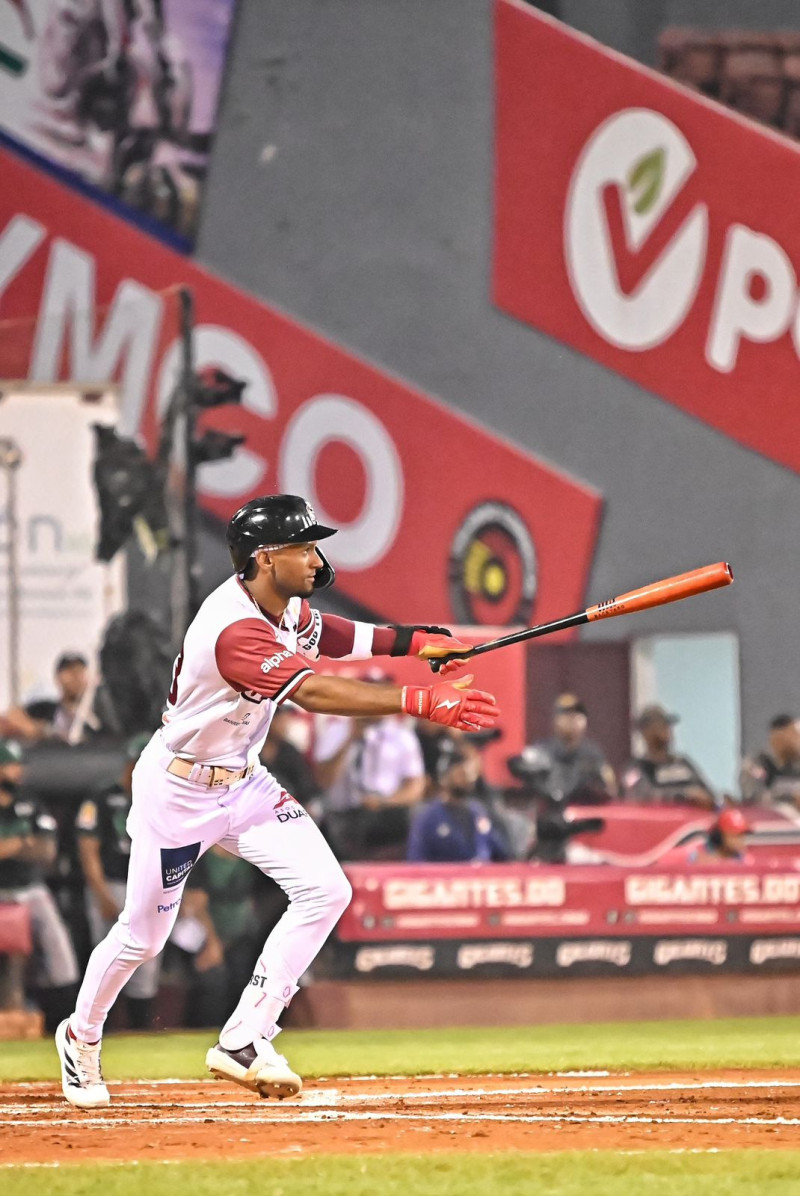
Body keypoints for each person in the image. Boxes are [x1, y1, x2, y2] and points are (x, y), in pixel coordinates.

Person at [55, 493, 498, 1108]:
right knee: (144, 937)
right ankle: (80, 1035)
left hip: (242, 780)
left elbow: (336, 636)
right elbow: (313, 690)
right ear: (265, 559)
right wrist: (417, 701)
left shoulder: (284, 606)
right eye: (304, 547)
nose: (316, 559)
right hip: (178, 791)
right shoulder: (233, 628)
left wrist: (418, 642)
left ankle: (245, 1038)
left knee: (327, 889)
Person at [75, 734, 160, 1029]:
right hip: (111, 882)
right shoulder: (102, 797)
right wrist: (100, 894)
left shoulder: (161, 798)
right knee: (107, 956)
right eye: (134, 763)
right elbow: (88, 849)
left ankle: (141, 1032)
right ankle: (94, 1030)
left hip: (148, 885)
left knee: (146, 961)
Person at [0, 739, 80, 1029]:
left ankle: (65, 1026)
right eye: (10, 765)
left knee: (62, 958)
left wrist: (11, 846)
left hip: (30, 890)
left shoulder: (30, 801)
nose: (17, 772)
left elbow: (46, 851)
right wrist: (23, 842)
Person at [407, 741, 510, 863]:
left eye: (469, 773)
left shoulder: (479, 811)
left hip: (480, 878)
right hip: (445, 878)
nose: (467, 778)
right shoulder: (428, 817)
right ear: (445, 777)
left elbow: (502, 853)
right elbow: (416, 860)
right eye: (461, 773)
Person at [507, 693, 616, 806]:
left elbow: (609, 789)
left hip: (581, 814)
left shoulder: (592, 755)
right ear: (556, 720)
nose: (572, 722)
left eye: (577, 716)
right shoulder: (543, 750)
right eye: (566, 716)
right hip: (547, 813)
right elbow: (518, 765)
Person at [621, 705, 716, 808]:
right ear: (646, 731)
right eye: (661, 725)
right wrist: (683, 796)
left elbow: (706, 792)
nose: (667, 729)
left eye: (667, 725)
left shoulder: (682, 763)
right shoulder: (636, 769)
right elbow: (638, 797)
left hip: (691, 822)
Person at [3, 653, 103, 745]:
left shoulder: (98, 712)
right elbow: (10, 717)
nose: (75, 677)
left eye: (79, 671)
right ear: (58, 678)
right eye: (69, 672)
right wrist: (40, 731)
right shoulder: (45, 709)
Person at [739, 714, 800, 807]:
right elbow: (753, 796)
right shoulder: (758, 762)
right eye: (791, 736)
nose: (795, 741)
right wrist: (790, 797)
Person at [686, 807, 753, 864]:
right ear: (719, 836)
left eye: (741, 836)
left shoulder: (743, 859)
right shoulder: (697, 853)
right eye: (734, 836)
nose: (740, 840)